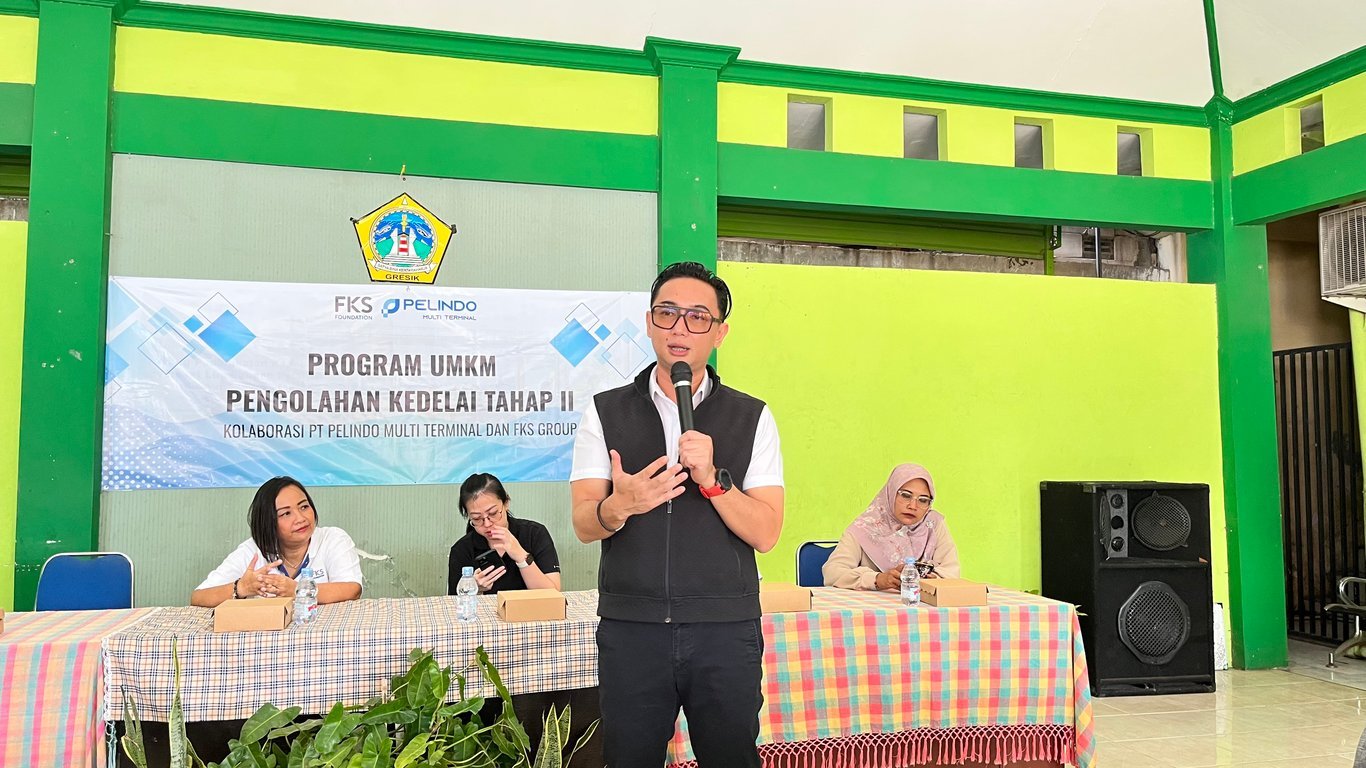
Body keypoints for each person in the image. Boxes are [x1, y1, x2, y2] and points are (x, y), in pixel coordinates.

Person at [570, 261, 784, 768]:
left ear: (719, 333)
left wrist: (713, 480)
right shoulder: (605, 411)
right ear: (649, 323)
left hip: (724, 628)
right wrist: (619, 506)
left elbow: (767, 532)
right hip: (632, 627)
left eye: (697, 317)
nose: (680, 328)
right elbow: (582, 523)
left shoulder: (752, 416)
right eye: (667, 313)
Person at [191, 476, 363, 607]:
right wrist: (242, 587)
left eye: (304, 506)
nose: (301, 518)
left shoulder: (332, 539)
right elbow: (198, 597)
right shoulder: (253, 551)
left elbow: (352, 589)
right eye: (286, 513)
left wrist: (297, 590)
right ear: (268, 522)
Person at [823, 463, 960, 591]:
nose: (913, 506)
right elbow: (832, 573)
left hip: (920, 605)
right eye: (905, 495)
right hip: (872, 606)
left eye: (923, 500)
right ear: (890, 493)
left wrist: (933, 580)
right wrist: (876, 579)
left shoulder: (932, 524)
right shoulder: (864, 527)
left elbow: (952, 573)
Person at [447, 472, 561, 594]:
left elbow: (553, 595)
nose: (487, 524)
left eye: (493, 513)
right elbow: (454, 601)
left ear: (506, 503)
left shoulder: (534, 534)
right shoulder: (462, 550)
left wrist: (521, 557)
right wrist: (474, 589)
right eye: (477, 518)